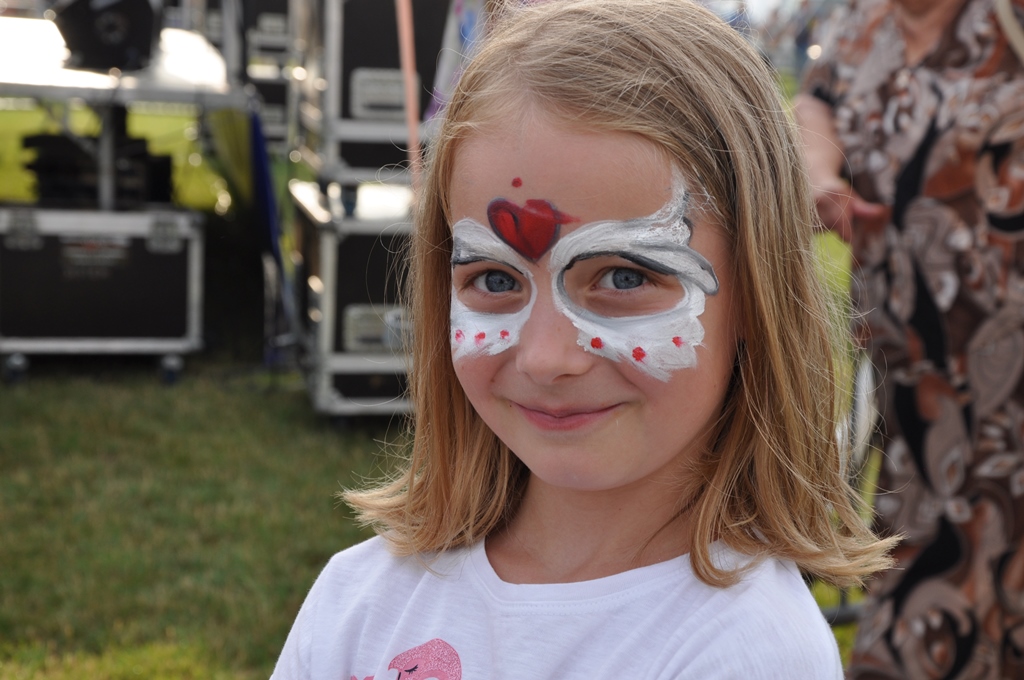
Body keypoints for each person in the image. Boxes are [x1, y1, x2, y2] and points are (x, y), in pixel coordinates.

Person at [272, 1, 895, 678]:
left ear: (756, 290)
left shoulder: (748, 652)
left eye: (624, 277)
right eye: (495, 279)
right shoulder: (358, 602)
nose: (546, 358)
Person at [795, 0, 1024, 676]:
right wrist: (820, 176)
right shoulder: (864, 22)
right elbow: (817, 104)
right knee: (917, 564)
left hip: (1006, 378)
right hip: (910, 380)